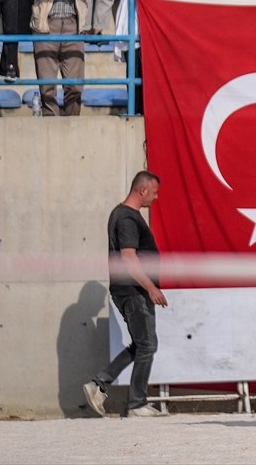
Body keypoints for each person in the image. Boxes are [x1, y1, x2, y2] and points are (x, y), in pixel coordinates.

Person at [83, 170, 168, 418]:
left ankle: (99, 384)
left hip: (132, 290)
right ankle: (137, 403)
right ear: (142, 190)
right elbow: (128, 257)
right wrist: (150, 287)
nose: (155, 198)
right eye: (154, 193)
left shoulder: (124, 216)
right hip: (133, 290)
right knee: (147, 344)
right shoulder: (127, 218)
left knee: (143, 344)